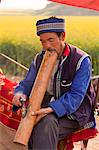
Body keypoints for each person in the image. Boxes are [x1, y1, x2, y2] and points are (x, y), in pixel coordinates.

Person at [12, 17, 96, 150]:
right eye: (42, 42)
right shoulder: (39, 58)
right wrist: (19, 93)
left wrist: (50, 109)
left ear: (62, 36)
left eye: (51, 40)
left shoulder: (81, 60)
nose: (47, 46)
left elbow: (76, 97)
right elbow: (27, 83)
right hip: (44, 106)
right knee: (31, 125)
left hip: (73, 112)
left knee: (46, 124)